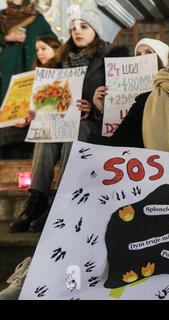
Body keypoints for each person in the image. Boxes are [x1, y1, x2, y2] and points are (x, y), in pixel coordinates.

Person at [8, 9, 128, 234]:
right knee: (46, 134)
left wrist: (92, 107)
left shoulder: (113, 56)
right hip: (61, 121)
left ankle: (62, 200)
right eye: (73, 27)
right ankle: (37, 199)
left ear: (95, 30)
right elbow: (49, 95)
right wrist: (39, 111)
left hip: (94, 123)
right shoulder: (60, 59)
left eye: (83, 26)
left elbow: (120, 98)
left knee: (77, 129)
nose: (77, 31)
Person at [0, 35, 60, 158]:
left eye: (43, 48)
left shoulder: (63, 71)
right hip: (29, 122)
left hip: (47, 126)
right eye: (37, 50)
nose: (39, 53)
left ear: (57, 49)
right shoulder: (35, 73)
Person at [92, 38, 169, 116]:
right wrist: (103, 108)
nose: (142, 57)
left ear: (161, 57)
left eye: (148, 52)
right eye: (138, 54)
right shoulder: (128, 87)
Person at [0, 0, 56, 104]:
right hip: (9, 66)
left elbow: (53, 40)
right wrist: (7, 38)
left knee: (32, 102)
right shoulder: (2, 16)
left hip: (31, 65)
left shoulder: (37, 17)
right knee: (7, 103)